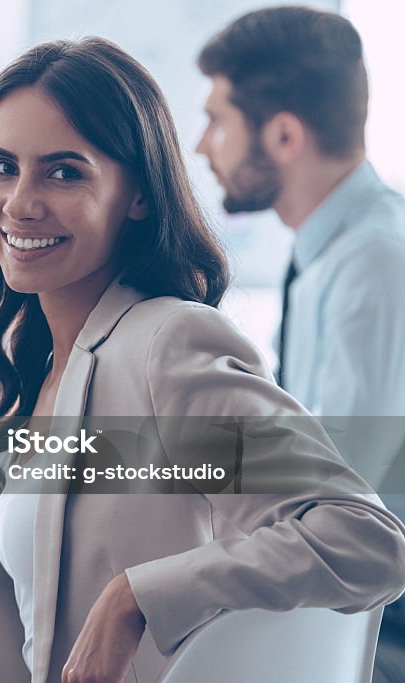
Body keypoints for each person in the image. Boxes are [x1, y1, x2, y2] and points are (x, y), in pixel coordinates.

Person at [0, 38, 405, 683]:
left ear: (137, 194)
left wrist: (137, 597)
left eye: (64, 171)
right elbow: (59, 604)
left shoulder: (169, 347)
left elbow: (366, 539)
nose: (19, 202)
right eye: (1, 166)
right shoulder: (53, 361)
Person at [195, 8, 405, 681]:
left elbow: (340, 499)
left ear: (284, 134)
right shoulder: (331, 250)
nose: (203, 146)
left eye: (218, 120)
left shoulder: (377, 263)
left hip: (377, 626)